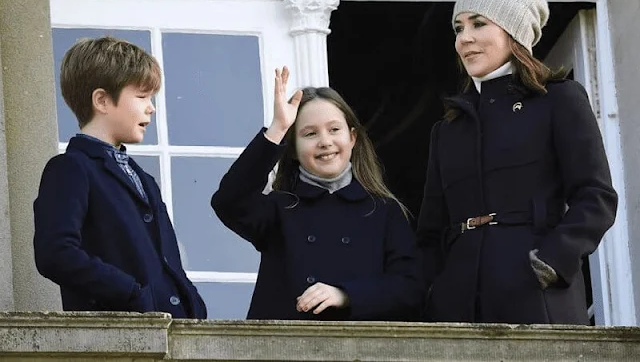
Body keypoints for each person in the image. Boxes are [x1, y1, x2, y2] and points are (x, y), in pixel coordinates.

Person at [417, 0, 617, 324]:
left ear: (514, 32)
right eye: (458, 27)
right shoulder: (446, 130)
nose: (464, 38)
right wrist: (436, 285)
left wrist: (554, 260)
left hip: (535, 295)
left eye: (479, 23)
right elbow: (430, 231)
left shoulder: (559, 100)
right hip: (458, 304)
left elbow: (595, 196)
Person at [211, 67, 423, 320]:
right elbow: (229, 201)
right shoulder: (279, 208)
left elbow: (410, 288)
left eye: (334, 130)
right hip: (284, 350)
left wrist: (346, 295)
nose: (325, 141)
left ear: (352, 138)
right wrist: (277, 129)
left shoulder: (384, 210)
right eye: (310, 134)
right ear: (293, 149)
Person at [33, 37, 207, 319]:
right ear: (102, 100)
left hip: (172, 334)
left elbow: (167, 262)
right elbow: (56, 253)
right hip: (116, 337)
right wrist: (131, 292)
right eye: (141, 97)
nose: (151, 107)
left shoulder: (144, 179)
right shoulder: (70, 168)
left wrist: (192, 303)